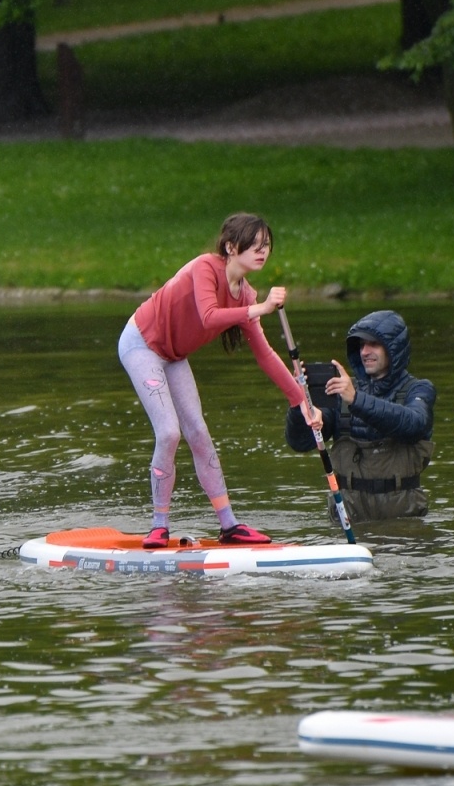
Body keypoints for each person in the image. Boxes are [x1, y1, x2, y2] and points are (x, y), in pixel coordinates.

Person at [119, 212, 320, 548]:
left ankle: (229, 525)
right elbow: (209, 316)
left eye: (266, 245)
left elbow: (265, 355)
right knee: (169, 432)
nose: (262, 251)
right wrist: (261, 309)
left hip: (173, 355)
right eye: (254, 245)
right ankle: (158, 526)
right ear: (230, 246)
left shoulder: (245, 295)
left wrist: (300, 401)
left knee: (199, 432)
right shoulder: (204, 268)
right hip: (141, 343)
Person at [284, 310, 436, 521]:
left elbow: (415, 424)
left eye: (373, 344)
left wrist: (356, 400)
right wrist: (299, 404)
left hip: (404, 521)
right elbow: (300, 442)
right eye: (361, 345)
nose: (365, 351)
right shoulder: (341, 392)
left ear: (394, 349)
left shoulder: (419, 389)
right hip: (348, 518)